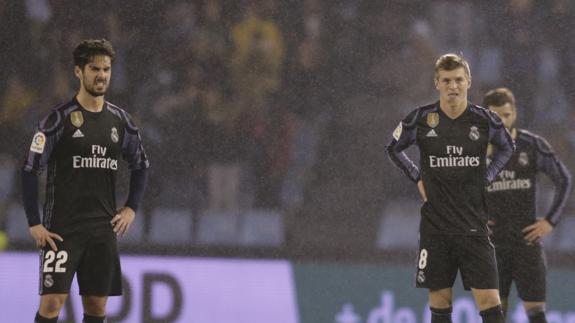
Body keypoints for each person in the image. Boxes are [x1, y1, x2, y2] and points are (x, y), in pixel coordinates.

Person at [21, 39, 149, 323]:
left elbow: (141, 165)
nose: (102, 75)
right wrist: (34, 222)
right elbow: (30, 169)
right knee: (52, 304)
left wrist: (131, 208)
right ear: (79, 71)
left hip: (102, 230)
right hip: (62, 230)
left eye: (106, 69)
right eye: (95, 68)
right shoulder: (57, 120)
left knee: (96, 308)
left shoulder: (121, 122)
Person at [386, 53, 514, 323]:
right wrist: (416, 176)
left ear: (468, 81)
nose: (452, 86)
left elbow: (507, 147)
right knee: (440, 304)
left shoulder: (484, 120)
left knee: (491, 303)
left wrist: (489, 175)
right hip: (436, 229)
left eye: (458, 80)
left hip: (473, 228)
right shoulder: (421, 119)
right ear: (437, 83)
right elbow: (394, 148)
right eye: (446, 80)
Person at [483, 88, 571, 323]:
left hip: (526, 243)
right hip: (492, 247)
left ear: (515, 114)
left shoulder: (531, 145)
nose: (503, 121)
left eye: (507, 114)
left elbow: (563, 179)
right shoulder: (474, 150)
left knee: (536, 314)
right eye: (496, 116)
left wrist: (550, 220)